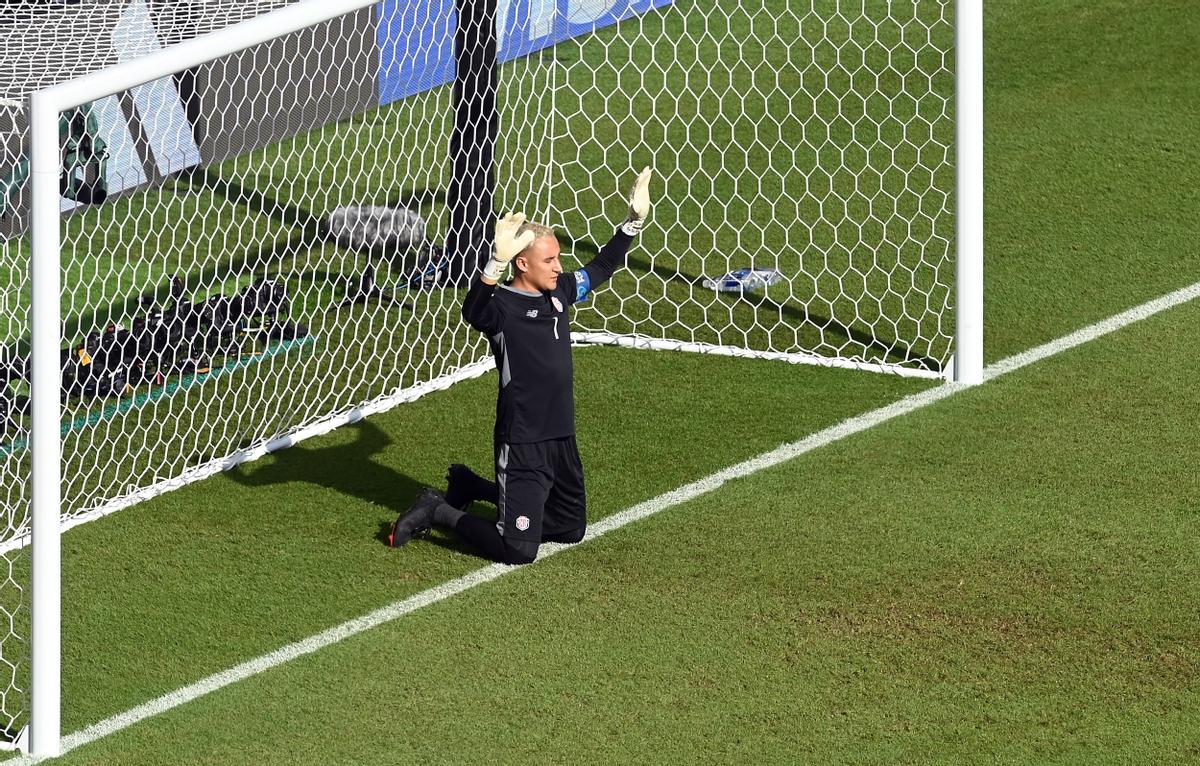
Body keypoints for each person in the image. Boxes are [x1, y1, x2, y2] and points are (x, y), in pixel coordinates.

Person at [388, 167, 653, 564]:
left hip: (561, 435)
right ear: (523, 265)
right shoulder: (502, 309)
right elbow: (472, 311)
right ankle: (437, 509)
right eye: (549, 260)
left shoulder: (559, 292)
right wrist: (495, 263)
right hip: (524, 439)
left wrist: (632, 224)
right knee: (518, 550)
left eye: (559, 258)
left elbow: (600, 268)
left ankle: (472, 485)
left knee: (569, 527)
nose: (559, 267)